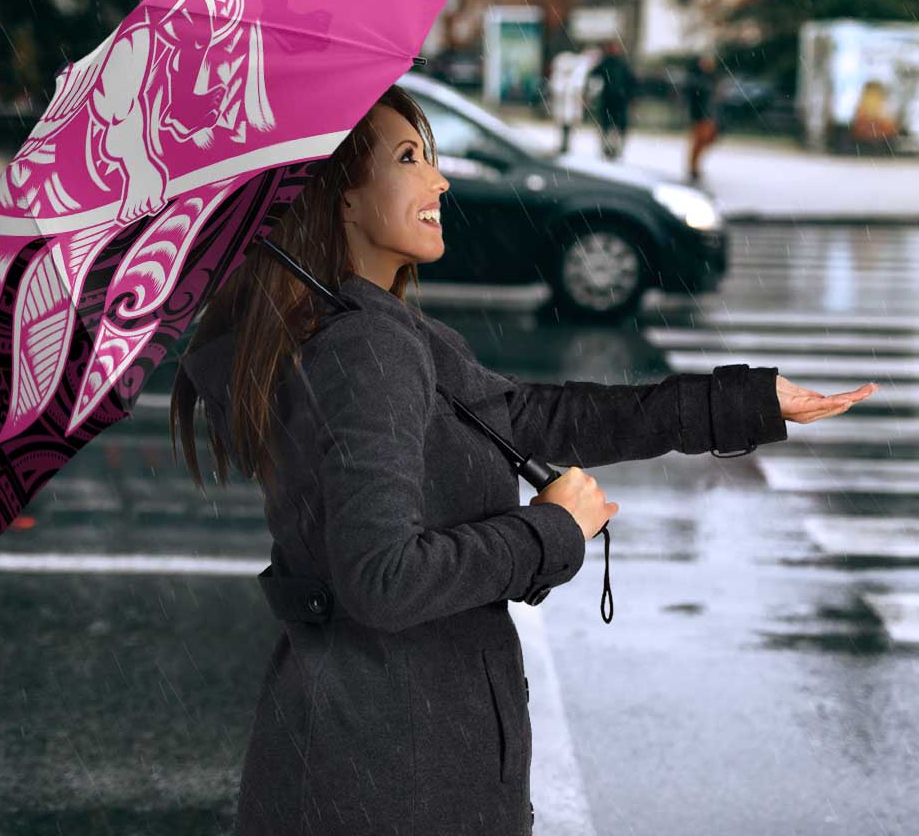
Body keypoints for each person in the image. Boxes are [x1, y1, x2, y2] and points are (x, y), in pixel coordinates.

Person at [171, 84, 876, 836]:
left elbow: (539, 417)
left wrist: (745, 402)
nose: (439, 180)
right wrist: (550, 531)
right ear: (341, 199)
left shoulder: (377, 332)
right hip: (390, 774)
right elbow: (382, 579)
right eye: (410, 158)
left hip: (377, 756)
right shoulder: (365, 349)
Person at [587, 38, 637, 161]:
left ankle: (614, 149)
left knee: (615, 127)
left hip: (618, 100)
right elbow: (593, 76)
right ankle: (608, 149)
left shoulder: (620, 64)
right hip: (610, 100)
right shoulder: (607, 63)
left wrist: (630, 96)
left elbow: (631, 82)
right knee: (608, 126)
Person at [685, 51, 721, 182]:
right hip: (700, 115)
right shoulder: (697, 79)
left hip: (709, 115)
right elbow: (694, 98)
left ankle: (694, 166)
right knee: (699, 141)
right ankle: (693, 167)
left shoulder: (712, 78)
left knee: (707, 140)